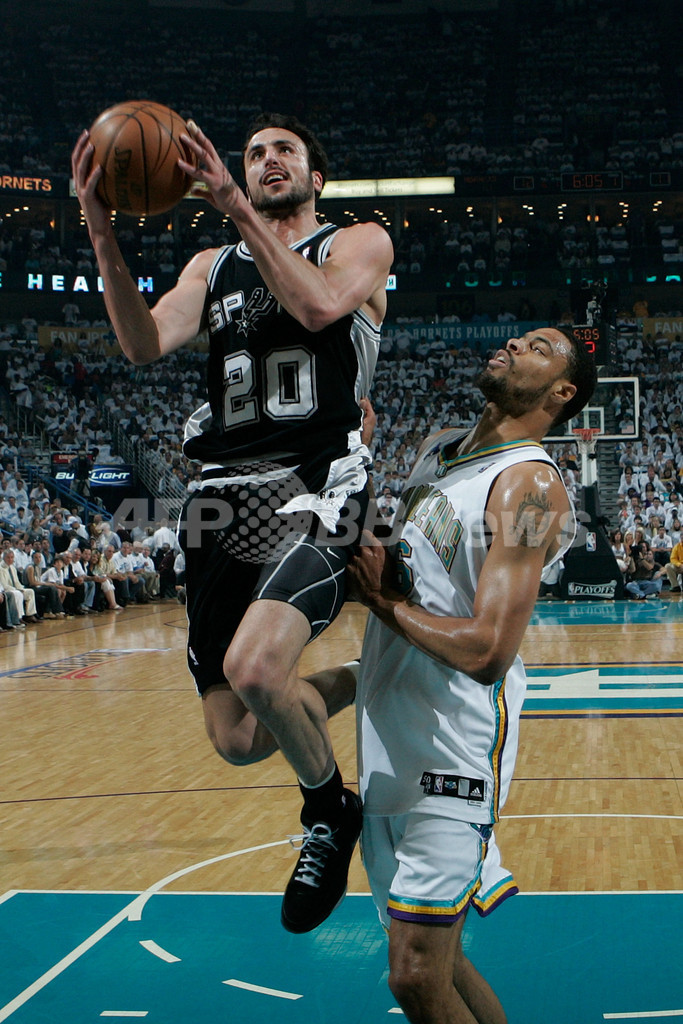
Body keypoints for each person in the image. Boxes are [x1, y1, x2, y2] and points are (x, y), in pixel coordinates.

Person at [71, 110, 394, 933]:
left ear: (315, 176)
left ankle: (328, 813)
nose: (267, 160)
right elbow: (143, 343)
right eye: (253, 154)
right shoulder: (210, 266)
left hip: (319, 481)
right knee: (240, 736)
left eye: (285, 150)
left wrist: (234, 207)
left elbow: (318, 310)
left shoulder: (358, 243)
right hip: (220, 500)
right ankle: (374, 675)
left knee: (255, 668)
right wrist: (101, 230)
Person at [310, 327, 596, 1023]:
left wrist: (383, 604)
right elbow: (409, 567)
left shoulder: (529, 484)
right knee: (438, 962)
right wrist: (355, 461)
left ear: (562, 392)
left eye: (538, 347)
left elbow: (489, 649)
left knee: (412, 975)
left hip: (452, 746)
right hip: (389, 728)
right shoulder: (439, 450)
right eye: (519, 338)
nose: (514, 343)